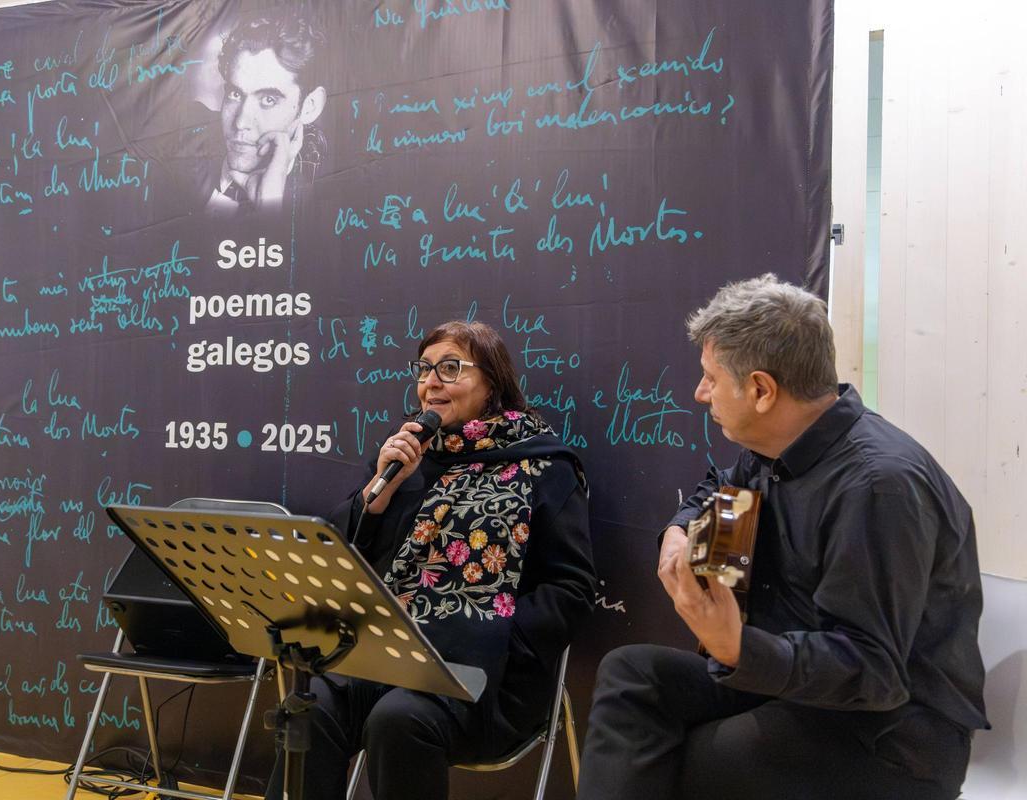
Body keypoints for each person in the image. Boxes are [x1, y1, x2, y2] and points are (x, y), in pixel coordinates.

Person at [578, 274, 987, 800]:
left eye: (710, 378)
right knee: (632, 676)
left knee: (686, 763)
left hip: (888, 736)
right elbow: (720, 490)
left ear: (762, 389)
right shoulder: (773, 444)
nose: (698, 393)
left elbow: (876, 673)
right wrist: (680, 531)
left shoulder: (878, 488)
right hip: (788, 681)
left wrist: (738, 647)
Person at [266, 320, 596, 800]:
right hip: (386, 658)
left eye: (450, 368)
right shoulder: (408, 458)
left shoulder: (545, 466)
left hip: (484, 677)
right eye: (424, 369)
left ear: (492, 382)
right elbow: (342, 559)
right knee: (310, 706)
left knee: (399, 718)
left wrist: (491, 636)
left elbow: (571, 589)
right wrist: (377, 495)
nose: (430, 382)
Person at [205, 13, 327, 216]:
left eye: (268, 100)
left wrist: (269, 210)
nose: (241, 122)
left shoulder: (325, 203)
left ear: (309, 107)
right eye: (235, 94)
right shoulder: (173, 168)